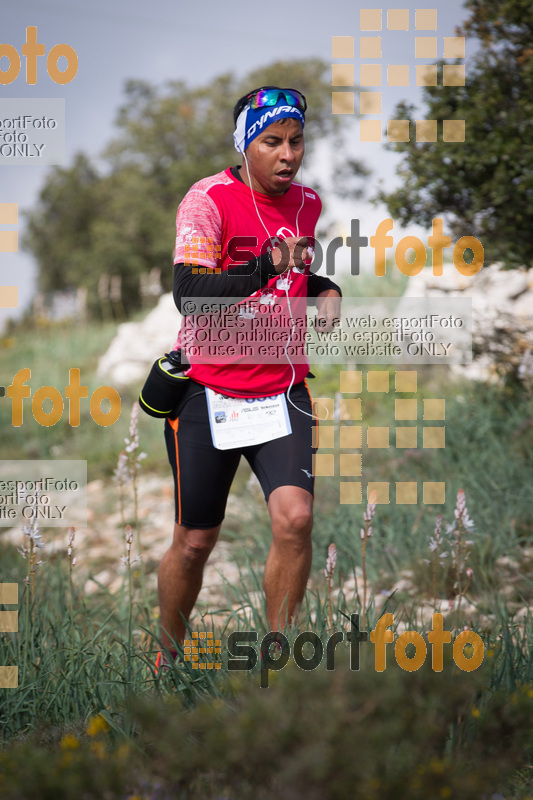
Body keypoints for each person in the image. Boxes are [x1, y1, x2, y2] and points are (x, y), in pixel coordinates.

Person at [157, 86, 342, 662]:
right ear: (245, 145)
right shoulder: (206, 201)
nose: (288, 154)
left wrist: (325, 287)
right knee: (194, 543)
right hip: (206, 391)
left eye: (296, 141)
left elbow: (294, 275)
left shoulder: (307, 204)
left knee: (297, 520)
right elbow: (191, 295)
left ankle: (279, 660)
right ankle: (166, 655)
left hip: (282, 388)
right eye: (272, 142)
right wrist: (264, 266)